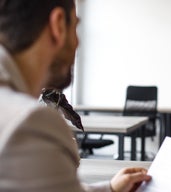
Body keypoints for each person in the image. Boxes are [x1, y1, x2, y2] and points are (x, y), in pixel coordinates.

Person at [0, 0, 151, 191]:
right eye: (76, 27)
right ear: (59, 25)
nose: (78, 42)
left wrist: (110, 189)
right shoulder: (30, 123)